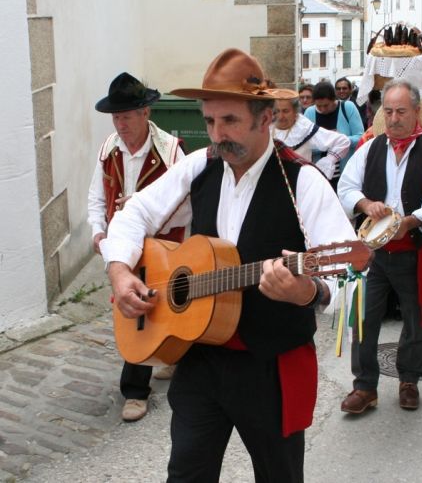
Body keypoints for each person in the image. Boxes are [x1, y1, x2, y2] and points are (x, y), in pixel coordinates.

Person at [102, 48, 356, 482]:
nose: (217, 135)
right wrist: (121, 271)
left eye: (230, 121)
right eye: (209, 121)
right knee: (186, 474)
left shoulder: (303, 182)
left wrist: (310, 291)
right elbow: (134, 214)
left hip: (270, 366)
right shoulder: (201, 166)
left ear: (266, 119)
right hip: (200, 356)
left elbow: (349, 273)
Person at [338, 79, 422, 414]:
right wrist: (365, 204)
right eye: (387, 111)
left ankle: (409, 380)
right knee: (363, 319)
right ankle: (364, 387)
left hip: (414, 250)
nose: (393, 118)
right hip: (373, 253)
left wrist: (409, 222)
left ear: (416, 111)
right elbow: (346, 187)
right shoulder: (370, 148)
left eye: (401, 111)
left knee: (415, 320)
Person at [87, 72, 185, 423]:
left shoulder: (171, 151)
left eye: (126, 116)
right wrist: (98, 230)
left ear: (146, 113)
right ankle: (149, 376)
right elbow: (96, 196)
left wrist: (145, 208)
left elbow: (186, 203)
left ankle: (136, 390)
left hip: (161, 245)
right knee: (135, 307)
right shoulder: (108, 149)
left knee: (149, 307)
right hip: (121, 246)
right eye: (116, 117)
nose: (120, 124)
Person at [304, 81, 364, 187]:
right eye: (319, 106)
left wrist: (340, 140)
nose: (322, 109)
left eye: (326, 105)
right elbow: (305, 144)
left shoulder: (348, 107)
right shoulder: (309, 112)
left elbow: (360, 137)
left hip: (346, 174)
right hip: (319, 175)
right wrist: (327, 142)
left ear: (334, 99)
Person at [273, 97, 350, 180]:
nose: (280, 116)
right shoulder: (266, 128)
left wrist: (329, 160)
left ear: (295, 112)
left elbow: (342, 141)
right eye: (277, 111)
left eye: (285, 111)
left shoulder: (305, 129)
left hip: (300, 181)